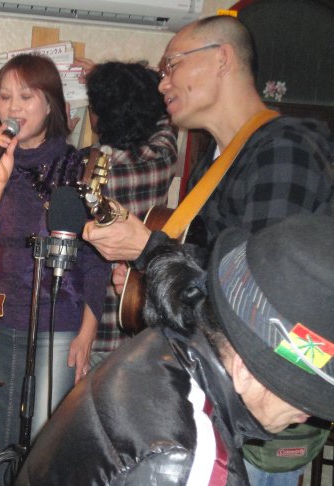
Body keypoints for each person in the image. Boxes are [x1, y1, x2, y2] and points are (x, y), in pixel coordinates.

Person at [82, 15, 334, 483]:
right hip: (218, 405)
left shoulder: (285, 149)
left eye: (172, 65)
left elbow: (260, 307)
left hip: (259, 422)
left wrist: (148, 250)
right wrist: (143, 277)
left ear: (222, 59)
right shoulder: (214, 164)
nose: (163, 83)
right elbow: (199, 282)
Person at [17, 214, 334, 485]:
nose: (307, 415)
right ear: (245, 369)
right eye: (301, 393)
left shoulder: (166, 343)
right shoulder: (191, 462)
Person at [0, 54, 109, 484]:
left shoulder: (79, 168)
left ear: (50, 103)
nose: (13, 107)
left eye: (26, 96)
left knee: (43, 442)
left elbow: (96, 261)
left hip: (59, 323)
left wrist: (88, 332)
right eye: (4, 97)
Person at [78, 60, 178, 365]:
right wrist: (122, 82)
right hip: (141, 318)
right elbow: (166, 117)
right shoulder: (162, 156)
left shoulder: (87, 169)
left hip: (92, 326)